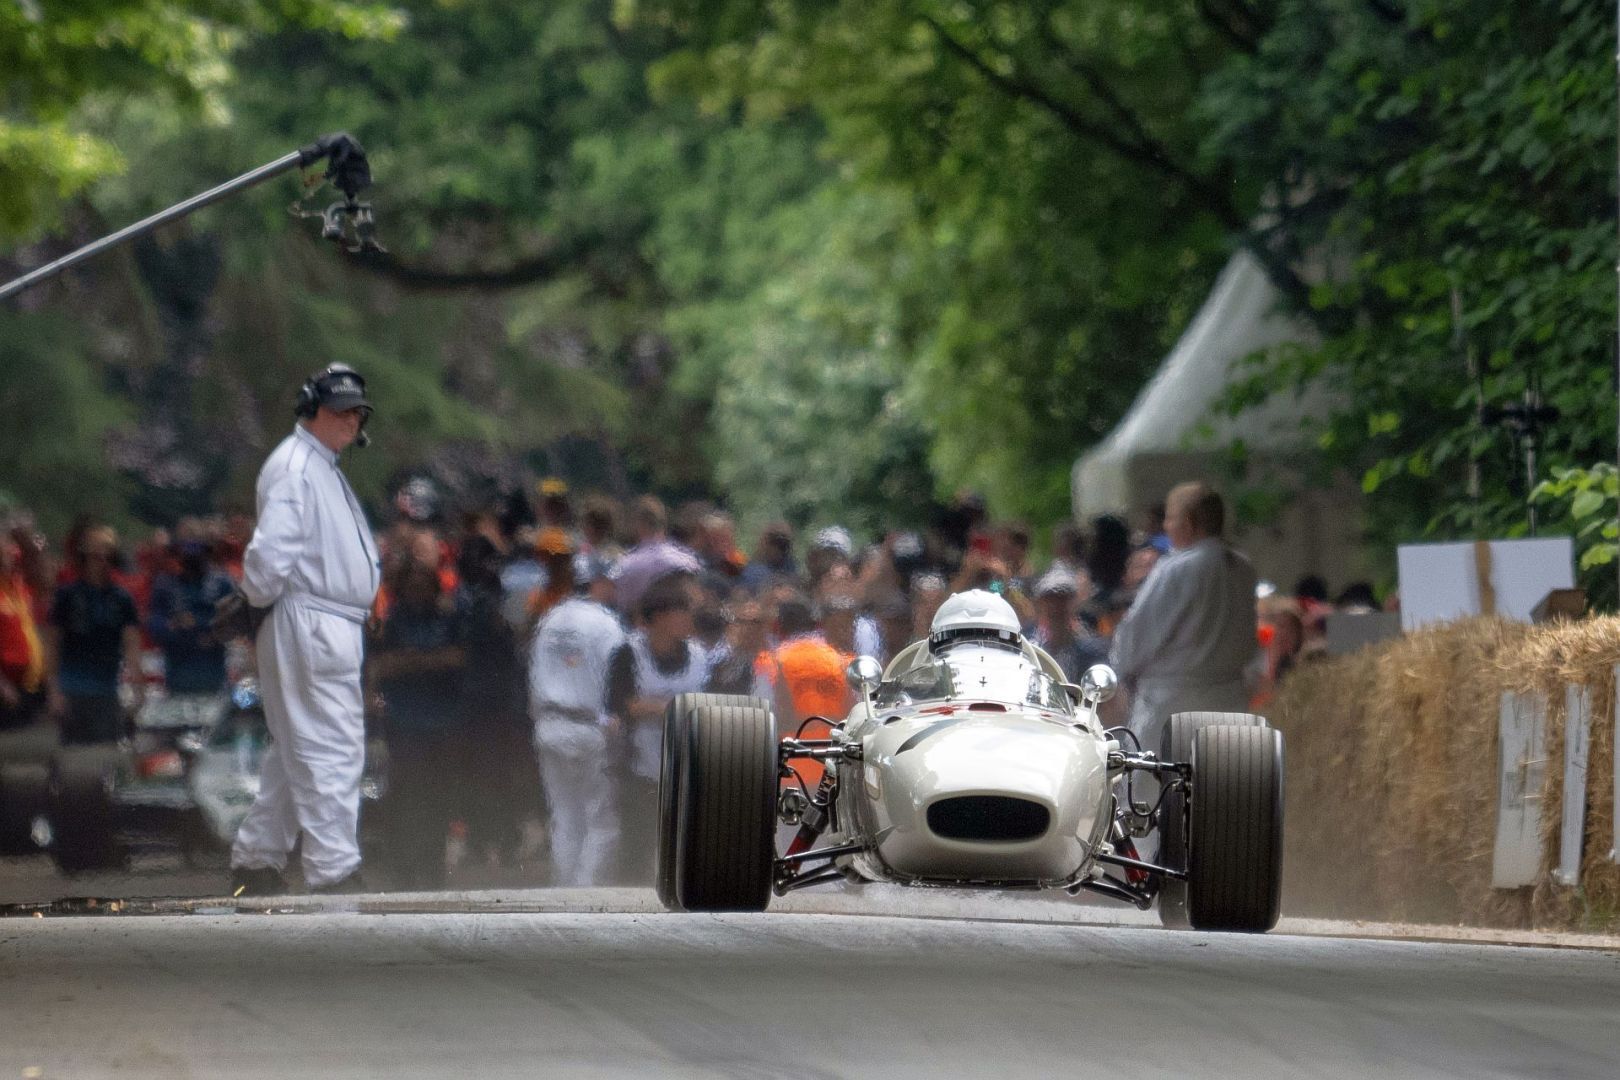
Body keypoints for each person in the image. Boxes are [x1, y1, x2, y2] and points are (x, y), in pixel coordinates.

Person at [229, 363, 382, 897]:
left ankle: (256, 860)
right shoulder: (296, 465)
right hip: (309, 618)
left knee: (297, 747)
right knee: (330, 747)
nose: (348, 418)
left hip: (323, 618)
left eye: (355, 410)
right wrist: (255, 599)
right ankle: (334, 868)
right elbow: (270, 557)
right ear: (311, 408)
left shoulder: (317, 464)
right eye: (337, 408)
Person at [1110, 482, 1257, 856]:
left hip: (1171, 700)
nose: (1166, 528)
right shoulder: (1242, 568)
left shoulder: (1178, 567)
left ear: (1188, 522)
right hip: (1230, 698)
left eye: (1170, 519)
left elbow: (1139, 634)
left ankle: (1144, 864)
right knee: (1224, 791)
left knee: (1146, 785)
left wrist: (1120, 668)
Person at [366, 529, 467, 889]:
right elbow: (382, 666)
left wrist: (418, 661)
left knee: (438, 796)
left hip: (439, 721)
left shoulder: (447, 619)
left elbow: (457, 658)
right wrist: (424, 662)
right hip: (403, 721)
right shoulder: (393, 621)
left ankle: (432, 867)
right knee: (404, 796)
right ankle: (402, 867)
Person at [528, 551, 627, 887]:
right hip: (589, 727)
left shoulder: (550, 618)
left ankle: (562, 890)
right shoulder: (606, 623)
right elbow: (619, 676)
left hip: (550, 723)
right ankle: (585, 895)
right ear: (597, 582)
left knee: (564, 816)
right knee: (600, 820)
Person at [609, 574, 710, 881]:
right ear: (662, 617)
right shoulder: (629, 653)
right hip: (640, 764)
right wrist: (672, 707)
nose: (688, 621)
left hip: (687, 762)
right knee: (638, 842)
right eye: (682, 613)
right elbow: (622, 704)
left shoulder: (698, 656)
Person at [46, 525, 142, 745]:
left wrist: (138, 690)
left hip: (107, 692)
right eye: (96, 557)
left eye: (108, 557)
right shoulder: (66, 596)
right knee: (72, 761)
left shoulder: (122, 599)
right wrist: (53, 691)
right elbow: (52, 646)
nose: (103, 563)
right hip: (72, 691)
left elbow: (132, 647)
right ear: (85, 559)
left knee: (107, 757)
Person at [147, 541, 235, 696]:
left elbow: (232, 622)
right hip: (177, 671)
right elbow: (156, 625)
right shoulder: (166, 585)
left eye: (197, 557)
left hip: (212, 670)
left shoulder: (221, 583)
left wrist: (202, 625)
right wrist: (175, 626)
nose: (192, 563)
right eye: (187, 557)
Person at [607, 496, 701, 620]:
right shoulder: (688, 562)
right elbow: (697, 601)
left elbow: (622, 605)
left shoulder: (626, 565)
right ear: (663, 522)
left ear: (638, 524)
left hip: (641, 630)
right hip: (682, 627)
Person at [0, 534, 47, 731]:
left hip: (32, 686)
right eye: (6, 557)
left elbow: (42, 577)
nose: (12, 562)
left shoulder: (20, 587)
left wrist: (31, 546)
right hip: (7, 689)